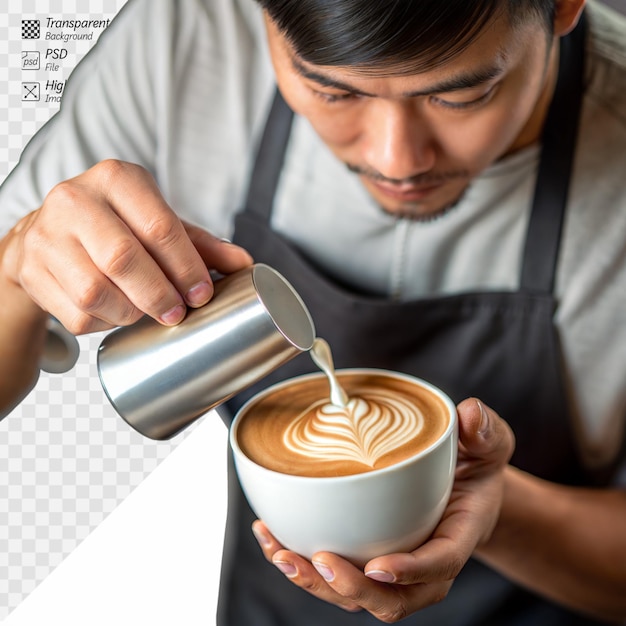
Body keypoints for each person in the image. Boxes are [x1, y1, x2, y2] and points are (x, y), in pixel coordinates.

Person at [0, 0, 625, 623]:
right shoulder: (185, 40)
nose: (394, 160)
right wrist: (16, 270)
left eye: (460, 97)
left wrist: (490, 509)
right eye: (331, 90)